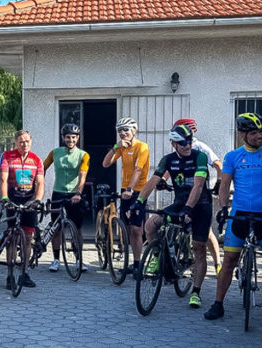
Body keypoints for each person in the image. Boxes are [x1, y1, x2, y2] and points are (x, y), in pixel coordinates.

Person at [204, 114, 262, 322]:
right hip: (239, 214)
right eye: (253, 133)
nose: (259, 136)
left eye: (261, 131)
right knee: (230, 260)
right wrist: (224, 208)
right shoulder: (232, 156)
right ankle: (218, 304)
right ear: (242, 134)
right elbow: (224, 185)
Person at [131, 124, 212, 305]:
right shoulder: (167, 160)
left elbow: (198, 186)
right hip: (179, 203)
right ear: (174, 144)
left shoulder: (200, 157)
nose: (187, 145)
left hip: (201, 206)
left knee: (199, 248)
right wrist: (139, 201)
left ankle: (196, 292)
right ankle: (158, 256)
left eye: (189, 141)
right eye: (182, 142)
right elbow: (153, 180)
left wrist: (189, 209)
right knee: (150, 225)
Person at [173, 118, 224, 274]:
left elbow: (217, 164)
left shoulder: (200, 147)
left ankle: (217, 263)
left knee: (206, 233)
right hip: (182, 193)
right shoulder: (177, 146)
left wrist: (219, 182)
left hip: (200, 194)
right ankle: (182, 257)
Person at [101, 117, 150, 276]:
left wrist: (130, 189)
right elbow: (105, 164)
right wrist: (116, 148)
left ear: (134, 130)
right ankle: (133, 262)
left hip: (138, 190)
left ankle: (138, 264)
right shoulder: (122, 148)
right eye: (120, 131)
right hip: (125, 190)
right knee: (128, 229)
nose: (122, 133)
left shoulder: (142, 147)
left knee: (137, 229)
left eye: (126, 130)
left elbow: (138, 169)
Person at [0, 129, 43, 290]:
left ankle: (24, 273)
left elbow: (40, 183)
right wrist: (4, 199)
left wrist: (37, 200)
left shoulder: (36, 160)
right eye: (21, 141)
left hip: (29, 201)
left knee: (28, 238)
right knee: (11, 238)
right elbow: (3, 180)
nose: (24, 144)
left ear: (31, 142)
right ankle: (9, 275)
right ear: (16, 142)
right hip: (13, 200)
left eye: (27, 141)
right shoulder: (8, 156)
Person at [43, 123, 90, 273]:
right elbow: (42, 169)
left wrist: (78, 193)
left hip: (74, 194)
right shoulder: (54, 153)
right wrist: (39, 187)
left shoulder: (83, 155)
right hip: (58, 192)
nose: (71, 140)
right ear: (63, 138)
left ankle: (79, 260)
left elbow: (83, 176)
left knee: (77, 229)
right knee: (56, 228)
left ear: (78, 138)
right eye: (68, 137)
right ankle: (56, 259)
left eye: (74, 137)